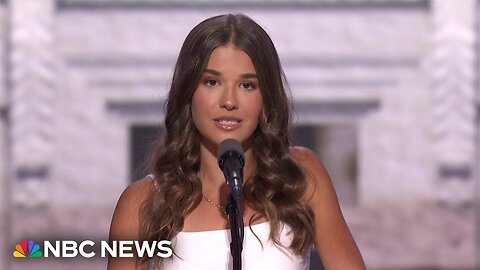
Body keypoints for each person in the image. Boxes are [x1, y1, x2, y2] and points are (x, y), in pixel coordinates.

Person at [107, 13, 365, 270]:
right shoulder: (142, 204)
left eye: (247, 85)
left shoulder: (299, 176)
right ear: (188, 91)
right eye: (212, 82)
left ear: (266, 96)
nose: (229, 101)